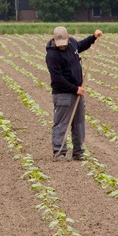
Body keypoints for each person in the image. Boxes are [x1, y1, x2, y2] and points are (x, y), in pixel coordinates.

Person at [46, 25, 102, 160]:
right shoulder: (52, 55)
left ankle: (78, 152)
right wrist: (75, 88)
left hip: (77, 92)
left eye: (63, 43)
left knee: (79, 123)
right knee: (62, 124)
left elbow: (81, 45)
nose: (62, 46)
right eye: (59, 44)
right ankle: (59, 152)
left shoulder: (72, 44)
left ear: (67, 38)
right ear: (54, 40)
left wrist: (93, 37)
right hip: (63, 94)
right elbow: (57, 79)